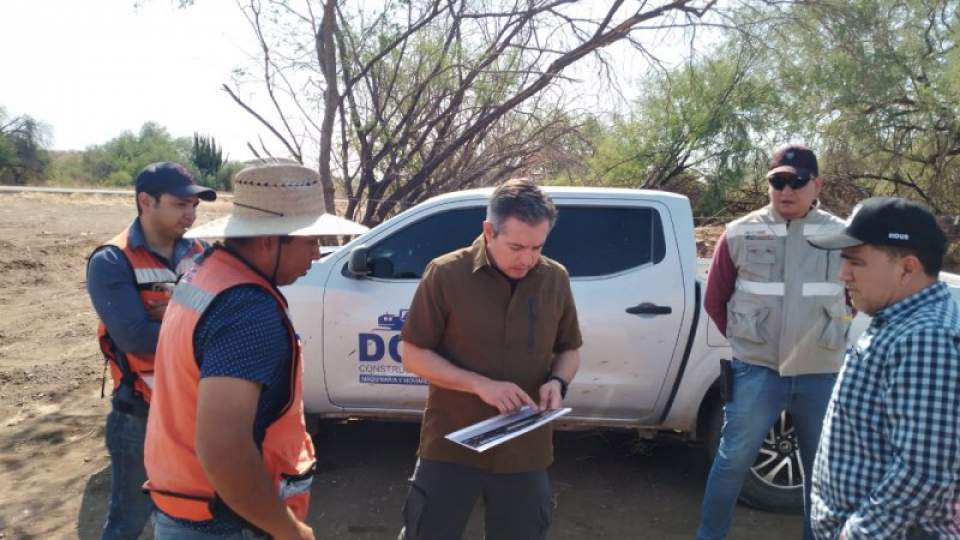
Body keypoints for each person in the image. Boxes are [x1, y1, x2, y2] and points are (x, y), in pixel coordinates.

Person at [142, 159, 367, 539]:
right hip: (224, 523)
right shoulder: (248, 310)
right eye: (310, 241)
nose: (317, 253)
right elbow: (224, 448)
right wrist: (289, 531)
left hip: (184, 502)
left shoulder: (206, 271)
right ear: (268, 240)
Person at [397, 178, 582, 540]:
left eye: (537, 247)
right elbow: (412, 353)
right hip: (452, 443)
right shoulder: (446, 274)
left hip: (525, 451)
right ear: (488, 231)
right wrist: (478, 384)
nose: (527, 259)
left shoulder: (555, 278)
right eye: (515, 246)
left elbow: (569, 349)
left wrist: (557, 382)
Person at [697, 144, 850, 540]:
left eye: (798, 182)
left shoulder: (842, 234)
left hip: (821, 373)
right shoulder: (740, 232)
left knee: (821, 470)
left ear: (816, 185)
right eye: (778, 181)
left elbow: (856, 295)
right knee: (731, 462)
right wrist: (747, 345)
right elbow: (716, 300)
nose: (787, 190)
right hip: (757, 371)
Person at [808, 197, 960, 540]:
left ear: (907, 268)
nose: (842, 274)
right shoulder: (897, 320)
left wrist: (858, 534)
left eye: (855, 263)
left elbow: (925, 470)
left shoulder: (926, 338)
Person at [86, 161, 216, 539]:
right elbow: (136, 338)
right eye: (180, 204)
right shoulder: (111, 260)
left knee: (189, 513)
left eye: (194, 206)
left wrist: (172, 310)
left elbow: (223, 316)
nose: (190, 214)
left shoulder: (200, 252)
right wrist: (194, 313)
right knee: (129, 518)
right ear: (146, 201)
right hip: (141, 413)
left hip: (195, 405)